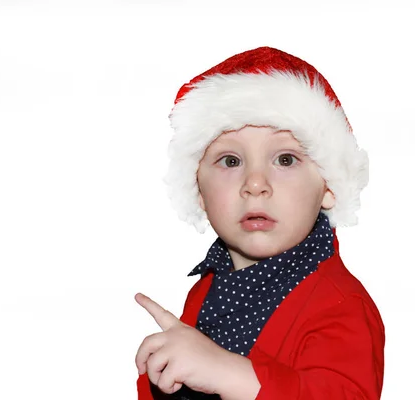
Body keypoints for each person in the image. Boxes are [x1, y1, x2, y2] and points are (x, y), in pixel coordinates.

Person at [134, 46, 385, 400]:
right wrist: (161, 378)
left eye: (285, 159)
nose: (255, 184)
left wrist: (230, 374)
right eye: (230, 160)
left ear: (329, 186)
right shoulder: (205, 291)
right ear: (199, 191)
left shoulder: (341, 305)